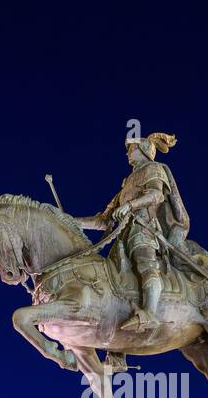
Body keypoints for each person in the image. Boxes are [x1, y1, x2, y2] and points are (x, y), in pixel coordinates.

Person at [76, 132, 190, 333]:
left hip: (143, 229)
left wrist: (130, 205)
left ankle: (150, 313)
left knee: (146, 264)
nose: (128, 153)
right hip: (121, 238)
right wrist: (72, 222)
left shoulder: (153, 169)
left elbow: (156, 195)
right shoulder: (126, 184)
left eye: (131, 149)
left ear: (144, 150)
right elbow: (104, 220)